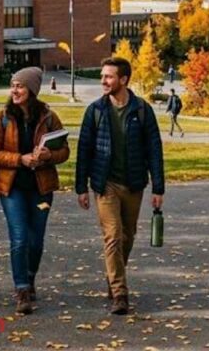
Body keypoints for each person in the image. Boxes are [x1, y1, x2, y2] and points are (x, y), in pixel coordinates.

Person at [76, 56, 165, 316]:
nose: (103, 81)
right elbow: (84, 150)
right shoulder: (95, 111)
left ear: (123, 80)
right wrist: (81, 186)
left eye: (108, 76)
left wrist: (158, 188)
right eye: (102, 76)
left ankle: (114, 276)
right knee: (113, 236)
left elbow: (154, 150)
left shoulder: (142, 110)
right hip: (106, 185)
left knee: (127, 237)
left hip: (134, 184)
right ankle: (120, 293)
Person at [0, 67, 69, 314]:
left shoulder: (49, 117)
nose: (15, 90)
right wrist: (19, 159)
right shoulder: (3, 117)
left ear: (31, 90)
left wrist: (48, 155)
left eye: (20, 86)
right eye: (13, 86)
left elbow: (64, 150)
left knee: (36, 241)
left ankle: (30, 277)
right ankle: (22, 289)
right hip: (12, 188)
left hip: (41, 187)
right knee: (20, 238)